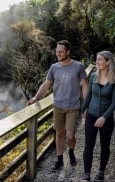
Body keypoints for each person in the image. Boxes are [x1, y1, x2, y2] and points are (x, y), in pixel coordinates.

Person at [27, 40, 88, 171]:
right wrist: (36, 97)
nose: (58, 53)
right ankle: (60, 160)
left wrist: (86, 104)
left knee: (70, 136)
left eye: (61, 51)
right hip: (58, 106)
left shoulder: (78, 66)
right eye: (56, 51)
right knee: (59, 133)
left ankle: (71, 152)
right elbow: (46, 84)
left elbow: (84, 85)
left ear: (68, 52)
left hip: (73, 106)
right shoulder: (54, 67)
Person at [80, 50, 115, 182]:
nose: (97, 62)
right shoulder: (93, 76)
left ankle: (101, 172)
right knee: (88, 145)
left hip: (107, 119)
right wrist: (82, 110)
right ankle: (86, 174)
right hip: (91, 116)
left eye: (100, 60)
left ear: (108, 62)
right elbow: (88, 97)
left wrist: (104, 117)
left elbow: (114, 103)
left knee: (105, 146)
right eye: (96, 59)